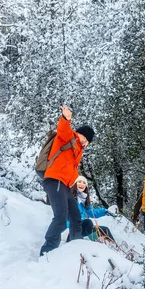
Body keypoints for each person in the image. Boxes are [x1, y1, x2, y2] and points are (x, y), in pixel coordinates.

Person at [39, 105, 95, 256]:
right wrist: (66, 118)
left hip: (65, 186)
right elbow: (63, 128)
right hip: (55, 180)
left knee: (76, 217)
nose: (87, 144)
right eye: (88, 141)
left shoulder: (78, 150)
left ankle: (74, 248)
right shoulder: (70, 137)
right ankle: (47, 251)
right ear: (84, 136)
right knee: (61, 217)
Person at [67, 176, 115, 243]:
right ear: (75, 184)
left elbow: (93, 213)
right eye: (79, 182)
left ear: (86, 186)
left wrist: (105, 211)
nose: (81, 184)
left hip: (81, 228)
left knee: (105, 230)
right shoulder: (69, 197)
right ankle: (95, 243)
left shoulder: (83, 200)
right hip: (70, 229)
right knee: (88, 222)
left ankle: (114, 247)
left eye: (84, 183)